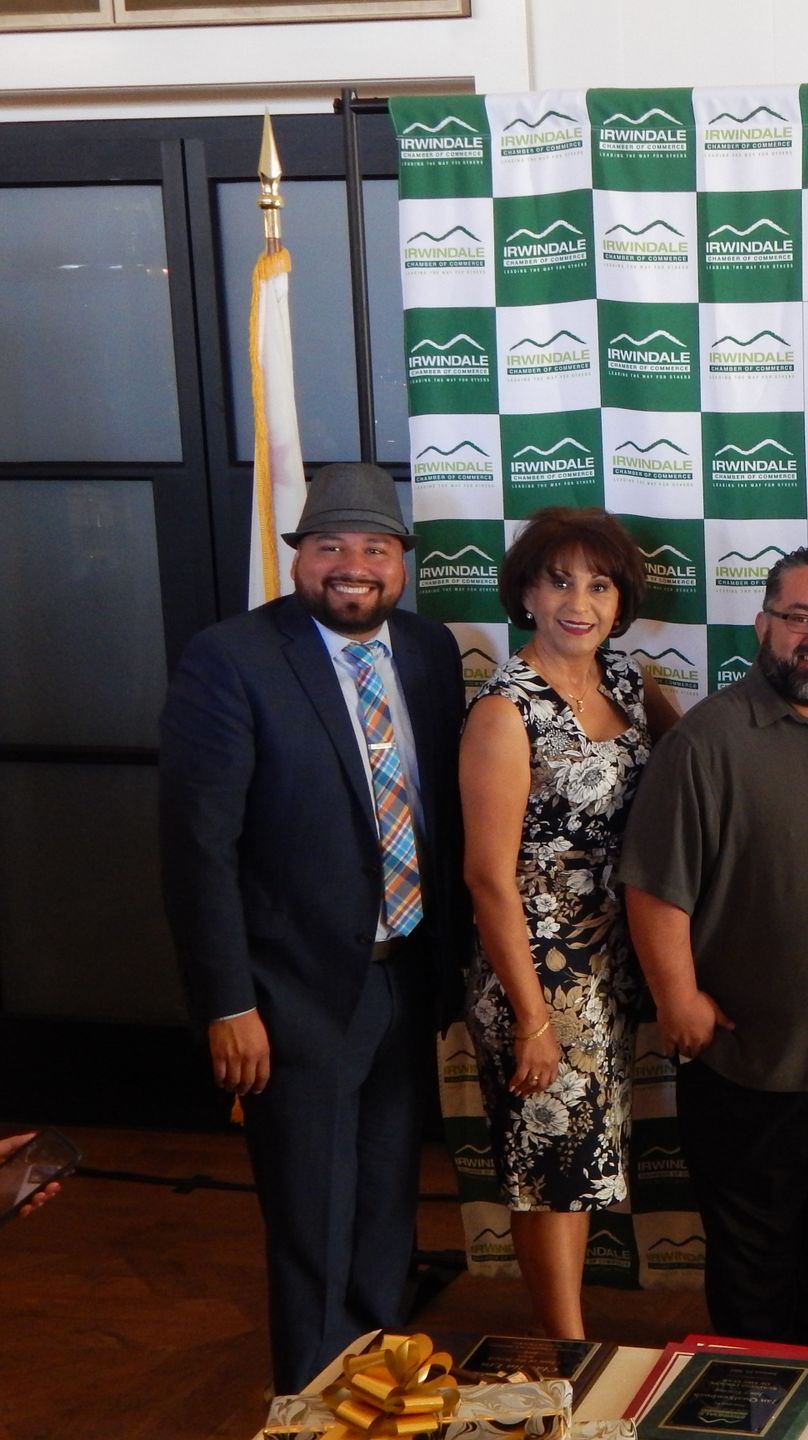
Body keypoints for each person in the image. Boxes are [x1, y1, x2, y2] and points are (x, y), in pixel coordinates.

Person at [158, 463, 466, 1394]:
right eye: (329, 546)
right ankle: (309, 1396)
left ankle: (376, 1380)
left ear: (402, 562)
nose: (353, 565)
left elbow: (440, 813)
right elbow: (197, 847)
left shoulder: (428, 650)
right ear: (298, 559)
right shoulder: (231, 658)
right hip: (289, 992)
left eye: (375, 547)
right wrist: (226, 1003)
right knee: (308, 1210)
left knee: (384, 1198)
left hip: (406, 973)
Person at [619, 546, 808, 1348]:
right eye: (800, 617)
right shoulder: (709, 740)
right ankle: (755, 1403)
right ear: (764, 625)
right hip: (753, 1058)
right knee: (755, 1265)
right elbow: (655, 884)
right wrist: (677, 998)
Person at [460, 508, 678, 1339]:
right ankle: (565, 1356)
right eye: (559, 580)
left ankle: (567, 1338)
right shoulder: (505, 710)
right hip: (539, 970)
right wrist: (531, 1017)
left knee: (581, 1163)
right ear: (525, 591)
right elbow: (486, 877)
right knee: (552, 1167)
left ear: (621, 599)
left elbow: (692, 770)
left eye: (599, 582)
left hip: (614, 961)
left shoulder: (624, 681)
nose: (578, 600)